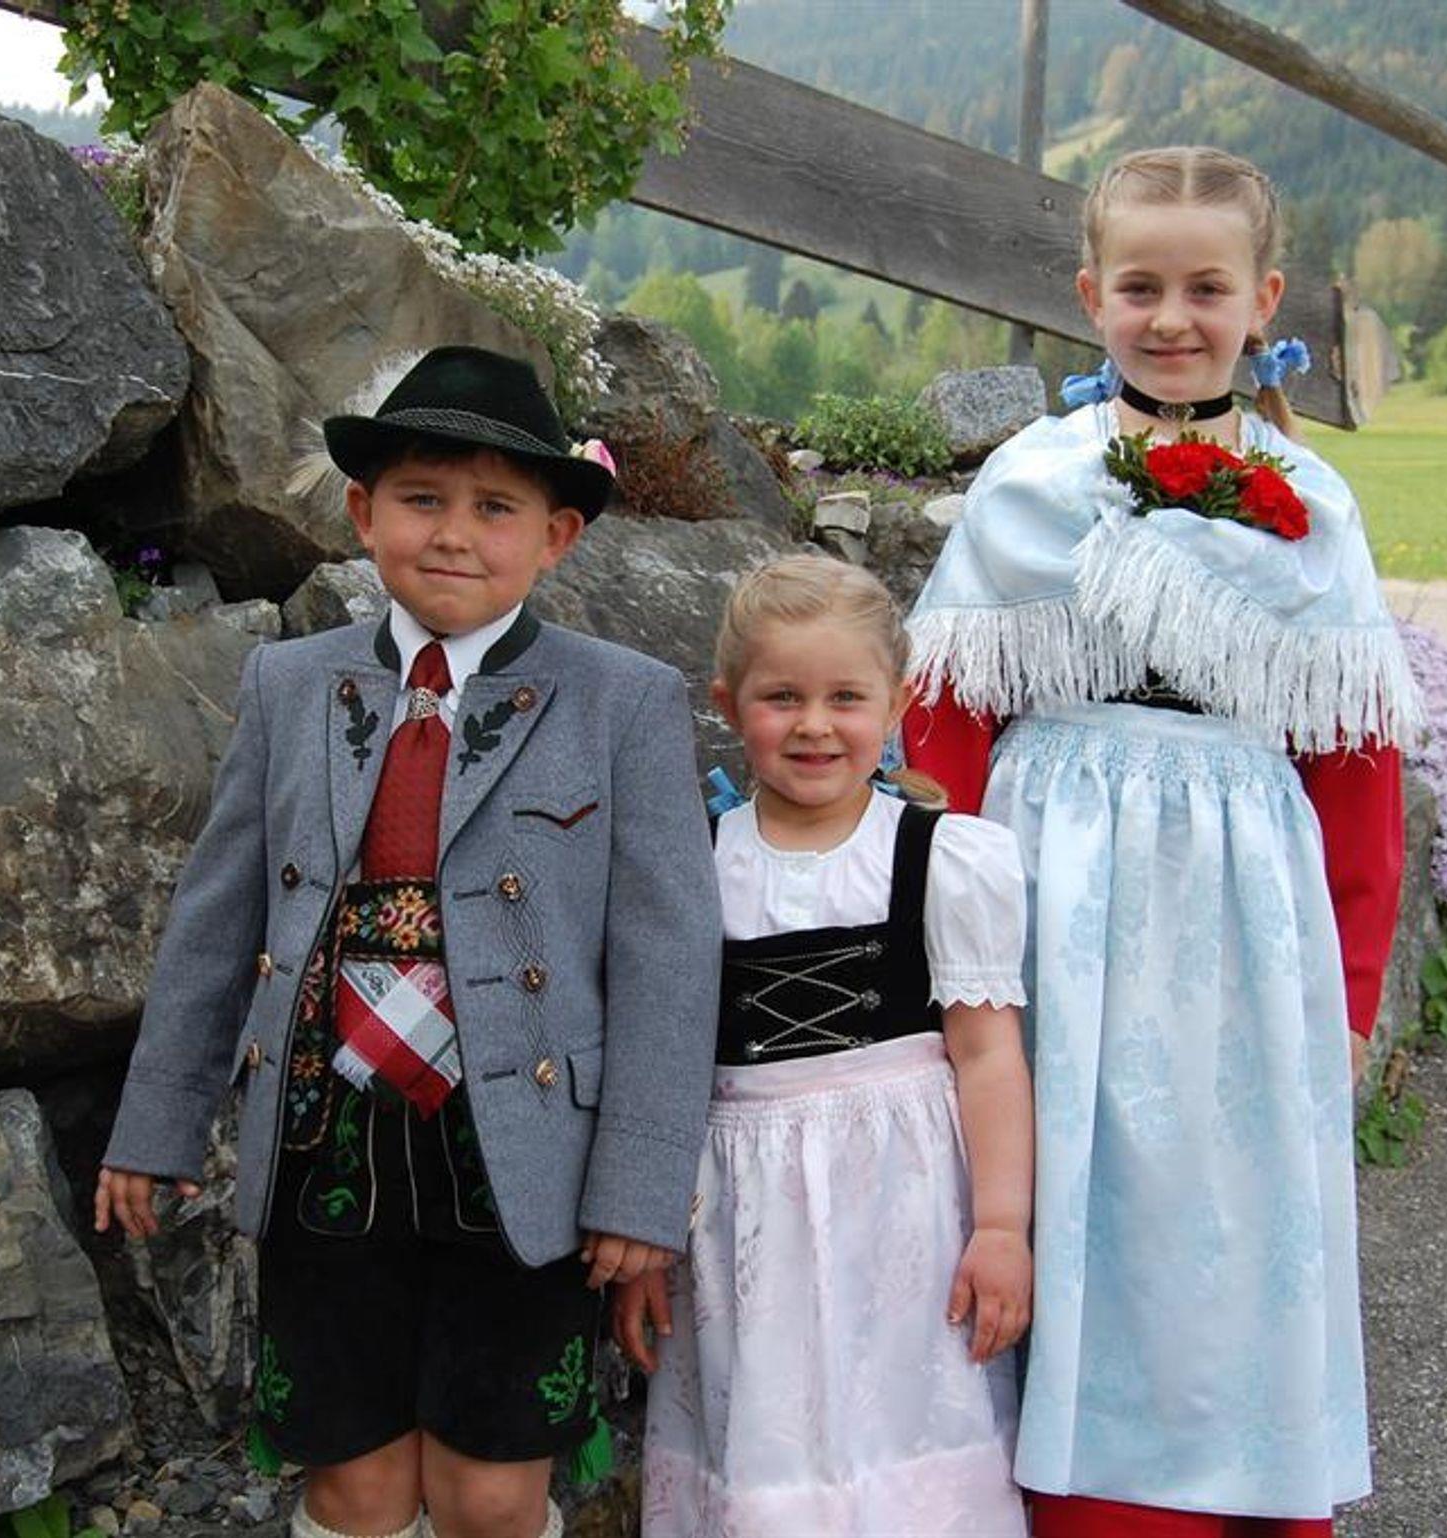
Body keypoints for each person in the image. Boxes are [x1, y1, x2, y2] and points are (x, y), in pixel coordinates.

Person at [94, 345, 722, 1538]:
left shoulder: (623, 699)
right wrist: (156, 1122)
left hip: (526, 1160)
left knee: (489, 1491)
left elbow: (667, 961)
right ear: (362, 513)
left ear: (556, 536)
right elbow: (215, 920)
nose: (453, 534)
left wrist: (639, 1193)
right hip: (323, 1145)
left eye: (494, 508)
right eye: (422, 498)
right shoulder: (288, 684)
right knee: (355, 1484)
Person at [903, 146, 1420, 1536]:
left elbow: (1355, 769)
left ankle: (1237, 1501)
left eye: (1205, 288)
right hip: (1053, 894)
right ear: (1090, 295)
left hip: (1238, 917)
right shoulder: (1028, 481)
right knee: (1062, 1195)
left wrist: (1349, 992)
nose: (1172, 317)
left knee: (1225, 1221)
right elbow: (946, 728)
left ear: (1263, 301)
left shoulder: (1312, 507)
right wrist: (938, 936)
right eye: (1140, 287)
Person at [617, 552, 1034, 1538]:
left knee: (906, 1446)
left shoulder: (940, 856)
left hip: (906, 1214)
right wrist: (641, 1237)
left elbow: (986, 1055)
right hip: (742, 1219)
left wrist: (1002, 1227)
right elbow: (657, 1066)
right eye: (782, 697)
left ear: (896, 701)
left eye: (845, 697)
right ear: (727, 703)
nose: (814, 724)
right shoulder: (696, 863)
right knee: (768, 1457)